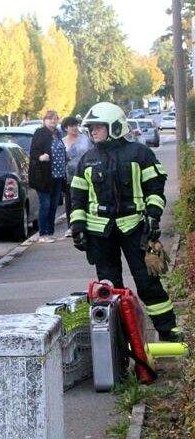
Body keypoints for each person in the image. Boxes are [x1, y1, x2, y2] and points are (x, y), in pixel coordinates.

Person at [70, 102, 179, 342]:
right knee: (110, 290)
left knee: (148, 283)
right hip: (100, 234)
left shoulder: (140, 154)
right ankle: (120, 341)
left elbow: (155, 190)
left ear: (116, 126)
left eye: (98, 127)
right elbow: (77, 200)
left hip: (136, 228)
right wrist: (78, 228)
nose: (93, 131)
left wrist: (152, 217)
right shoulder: (86, 160)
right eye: (91, 128)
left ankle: (168, 332)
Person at [29, 110, 67, 243]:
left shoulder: (57, 133)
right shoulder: (40, 133)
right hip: (44, 176)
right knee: (45, 204)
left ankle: (50, 232)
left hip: (58, 175)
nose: (52, 121)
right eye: (50, 119)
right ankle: (43, 234)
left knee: (54, 205)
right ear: (44, 120)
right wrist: (41, 157)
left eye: (55, 119)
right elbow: (33, 151)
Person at [61, 116, 92, 237]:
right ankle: (71, 226)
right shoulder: (62, 142)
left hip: (86, 174)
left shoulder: (85, 139)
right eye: (71, 126)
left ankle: (87, 223)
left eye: (75, 125)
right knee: (70, 202)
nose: (74, 128)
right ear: (65, 128)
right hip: (69, 177)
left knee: (86, 199)